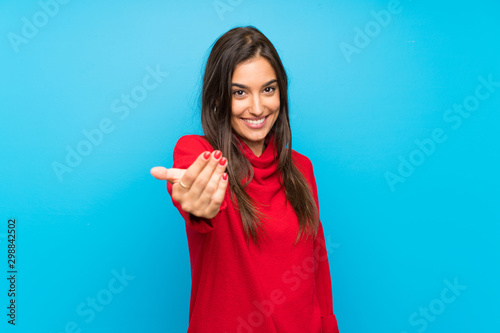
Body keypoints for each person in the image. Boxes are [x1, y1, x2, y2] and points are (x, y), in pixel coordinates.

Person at [151, 26, 339, 333]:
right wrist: (197, 202)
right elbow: (196, 194)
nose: (257, 107)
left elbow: (317, 271)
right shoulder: (201, 154)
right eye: (240, 92)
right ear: (218, 98)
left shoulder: (301, 168)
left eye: (268, 89)